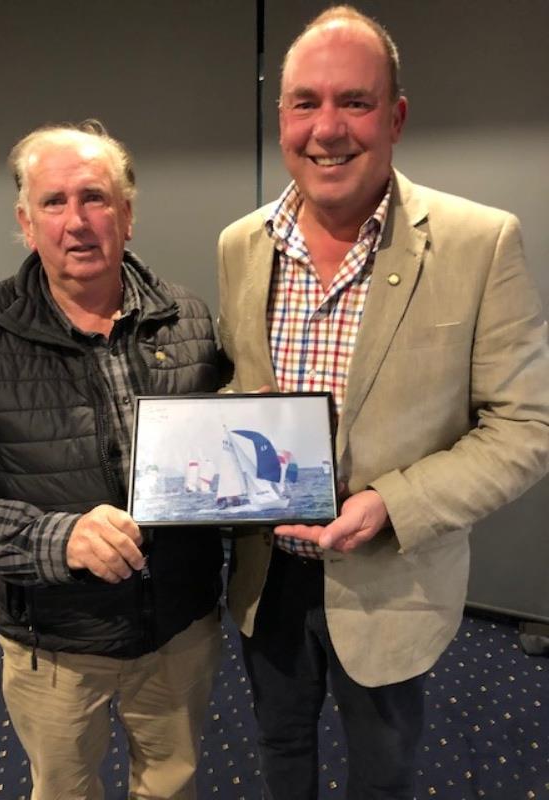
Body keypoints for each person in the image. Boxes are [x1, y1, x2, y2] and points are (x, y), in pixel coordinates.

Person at [217, 6, 549, 799]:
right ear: (282, 118)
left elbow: (527, 427)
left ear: (395, 116)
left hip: (391, 577)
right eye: (305, 103)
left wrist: (390, 504)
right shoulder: (241, 243)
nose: (327, 129)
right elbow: (238, 383)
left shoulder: (481, 240)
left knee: (384, 771)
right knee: (280, 746)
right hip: (269, 574)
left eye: (354, 102)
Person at [0, 120, 223, 800]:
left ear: (127, 216)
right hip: (55, 642)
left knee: (172, 785)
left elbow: (222, 465)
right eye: (54, 202)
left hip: (179, 627)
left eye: (96, 198)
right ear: (25, 221)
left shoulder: (189, 318)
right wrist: (58, 538)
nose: (77, 221)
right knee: (64, 789)